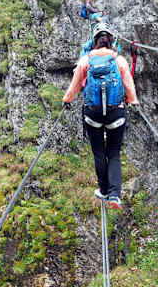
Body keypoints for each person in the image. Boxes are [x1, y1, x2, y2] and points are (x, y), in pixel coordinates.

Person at [63, 23, 138, 210]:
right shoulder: (118, 60)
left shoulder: (86, 60)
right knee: (113, 153)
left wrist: (67, 100)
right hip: (116, 114)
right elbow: (128, 85)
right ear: (111, 41)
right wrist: (132, 101)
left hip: (93, 114)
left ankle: (103, 189)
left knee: (98, 152)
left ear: (94, 42)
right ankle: (114, 195)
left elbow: (74, 86)